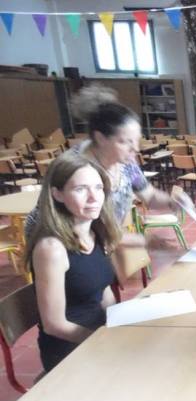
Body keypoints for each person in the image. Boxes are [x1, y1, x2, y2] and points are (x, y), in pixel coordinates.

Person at [25, 84, 191, 240]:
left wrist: (173, 202)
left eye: (136, 140)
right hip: (57, 242)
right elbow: (73, 230)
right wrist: (134, 242)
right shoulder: (74, 167)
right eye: (125, 142)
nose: (135, 148)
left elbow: (150, 195)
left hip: (96, 243)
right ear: (100, 138)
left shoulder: (126, 164)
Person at [25, 151, 121, 372]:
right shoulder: (51, 249)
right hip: (69, 350)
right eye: (80, 189)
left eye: (98, 188)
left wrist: (118, 324)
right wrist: (103, 341)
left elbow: (103, 290)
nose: (94, 197)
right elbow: (54, 325)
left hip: (98, 335)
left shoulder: (96, 233)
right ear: (57, 194)